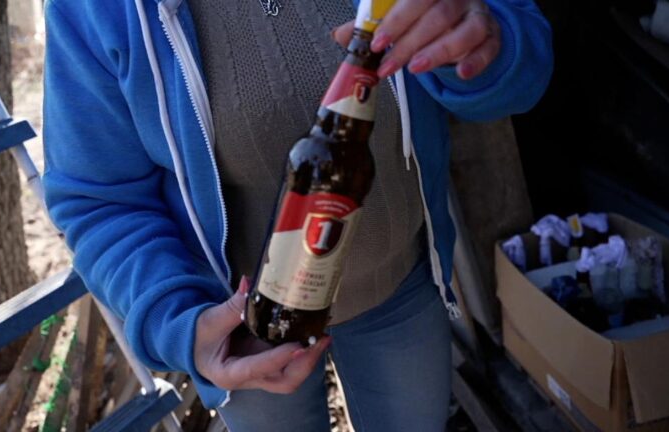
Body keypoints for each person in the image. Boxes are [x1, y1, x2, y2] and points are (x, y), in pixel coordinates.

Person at [42, 0, 552, 430]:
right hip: (246, 334)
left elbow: (521, 52)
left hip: (400, 291)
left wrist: (483, 43)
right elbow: (98, 199)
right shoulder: (93, 10)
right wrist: (180, 321)